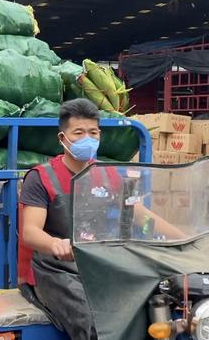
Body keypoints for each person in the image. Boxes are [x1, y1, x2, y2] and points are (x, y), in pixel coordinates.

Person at [19, 98, 184, 340]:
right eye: (78, 132)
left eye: (93, 132)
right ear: (62, 138)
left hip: (100, 263)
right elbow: (30, 231)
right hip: (56, 269)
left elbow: (142, 216)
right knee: (97, 325)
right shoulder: (40, 178)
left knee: (156, 302)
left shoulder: (108, 175)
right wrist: (56, 245)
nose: (87, 138)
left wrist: (184, 238)